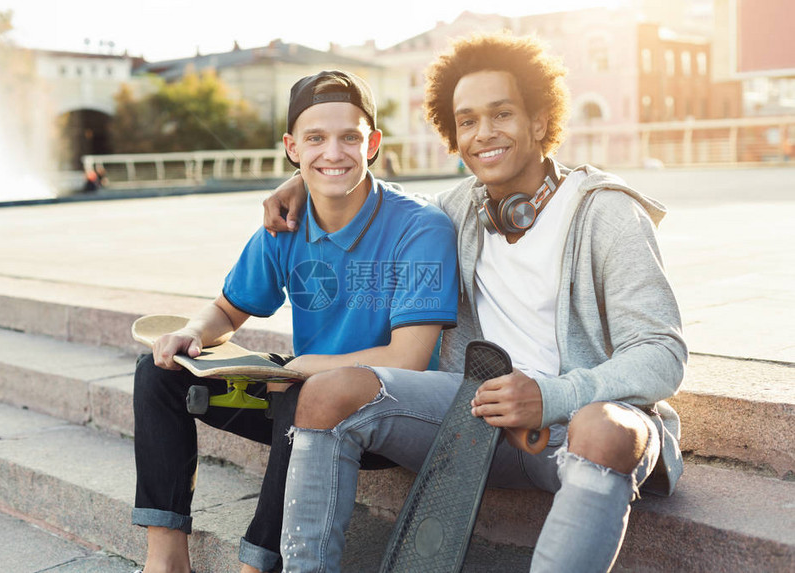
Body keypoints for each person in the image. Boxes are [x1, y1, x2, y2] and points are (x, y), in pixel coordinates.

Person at [263, 33, 687, 573]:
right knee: (327, 393)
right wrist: (302, 181)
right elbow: (368, 195)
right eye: (466, 121)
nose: (483, 134)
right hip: (475, 416)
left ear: (539, 121)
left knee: (608, 429)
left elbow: (662, 353)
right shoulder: (454, 211)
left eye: (501, 114)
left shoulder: (605, 213)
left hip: (578, 424)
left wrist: (550, 396)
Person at [131, 70, 459, 573]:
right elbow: (226, 309)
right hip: (303, 385)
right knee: (159, 372)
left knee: (301, 391)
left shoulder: (419, 227)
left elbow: (408, 358)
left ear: (372, 143)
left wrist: (301, 369)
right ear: (292, 147)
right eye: (316, 139)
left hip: (385, 410)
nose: (334, 152)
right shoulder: (284, 224)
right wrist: (192, 333)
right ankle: (166, 558)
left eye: (349, 137)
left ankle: (260, 563)